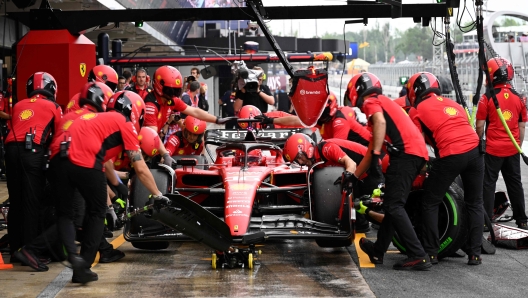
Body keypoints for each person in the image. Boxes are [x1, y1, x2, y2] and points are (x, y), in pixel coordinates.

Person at [51, 91, 170, 283]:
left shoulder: (92, 118)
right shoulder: (123, 123)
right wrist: (157, 194)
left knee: (65, 214)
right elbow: (139, 167)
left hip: (58, 159)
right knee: (97, 212)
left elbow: (105, 163)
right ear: (135, 113)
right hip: (85, 161)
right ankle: (84, 266)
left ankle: (73, 256)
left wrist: (116, 188)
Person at [348, 72, 431, 271]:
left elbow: (377, 138)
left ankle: (418, 255)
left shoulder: (372, 102)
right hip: (415, 155)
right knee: (393, 205)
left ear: (357, 92)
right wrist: (354, 177)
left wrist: (375, 154)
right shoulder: (384, 103)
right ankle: (378, 250)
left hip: (406, 156)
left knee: (394, 206)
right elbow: (371, 151)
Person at [407, 72, 484, 265]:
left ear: (415, 92)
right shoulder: (454, 104)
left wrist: (421, 167)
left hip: (451, 154)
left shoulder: (416, 110)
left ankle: (431, 252)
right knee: (474, 203)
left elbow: (416, 142)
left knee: (430, 201)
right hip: (475, 152)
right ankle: (475, 254)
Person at [5, 72, 62, 261]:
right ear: (51, 88)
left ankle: (15, 250)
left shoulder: (19, 105)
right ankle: (30, 252)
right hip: (32, 152)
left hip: (10, 151)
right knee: (32, 203)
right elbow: (58, 136)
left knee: (16, 202)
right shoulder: (54, 106)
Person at [283, 133, 385, 232]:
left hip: (370, 168)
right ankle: (361, 226)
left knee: (379, 212)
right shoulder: (314, 163)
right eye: (296, 160)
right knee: (359, 218)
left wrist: (348, 179)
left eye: (299, 157)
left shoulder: (327, 148)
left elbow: (351, 164)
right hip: (357, 175)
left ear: (306, 148)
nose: (301, 162)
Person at [143, 65, 233, 167]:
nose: (173, 94)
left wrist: (217, 119)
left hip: (153, 143)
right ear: (160, 86)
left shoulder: (171, 100)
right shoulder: (151, 105)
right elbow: (153, 135)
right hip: (143, 146)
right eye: (170, 90)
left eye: (176, 90)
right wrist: (166, 155)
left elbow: (195, 111)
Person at [476, 58, 528, 230]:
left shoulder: (487, 98)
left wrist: (479, 143)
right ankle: (522, 219)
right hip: (512, 149)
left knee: (488, 184)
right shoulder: (519, 98)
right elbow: (521, 126)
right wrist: (517, 146)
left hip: (492, 149)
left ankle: (486, 221)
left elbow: (480, 125)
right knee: (515, 183)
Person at [262, 93, 371, 146]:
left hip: (367, 152)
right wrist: (271, 120)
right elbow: (295, 120)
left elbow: (337, 148)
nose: (319, 113)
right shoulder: (324, 121)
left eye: (321, 110)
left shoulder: (340, 121)